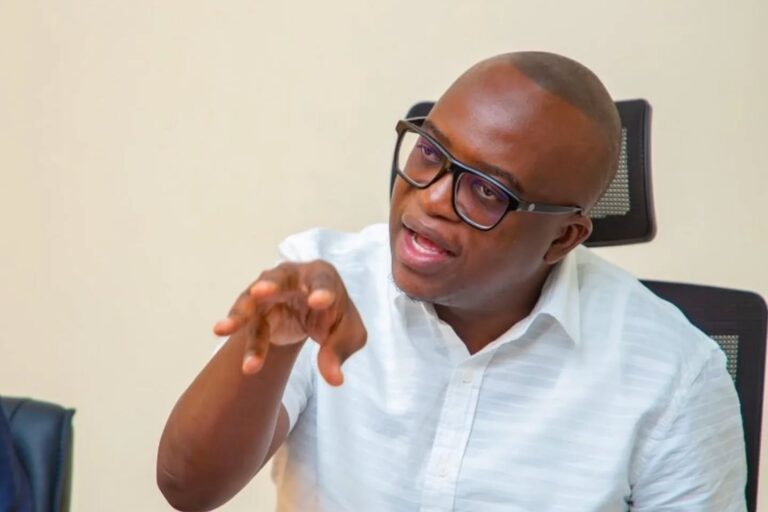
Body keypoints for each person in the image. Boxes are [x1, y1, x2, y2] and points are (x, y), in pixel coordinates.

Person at [156, 51, 747, 511]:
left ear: (563, 238)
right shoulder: (322, 284)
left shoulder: (675, 375)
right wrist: (275, 344)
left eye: (487, 190)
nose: (433, 198)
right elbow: (187, 489)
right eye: (430, 152)